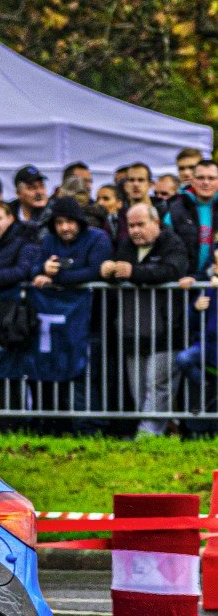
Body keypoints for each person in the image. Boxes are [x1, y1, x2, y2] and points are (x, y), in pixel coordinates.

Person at [99, 202, 191, 435]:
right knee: (139, 389)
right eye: (131, 226)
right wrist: (107, 270)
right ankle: (160, 430)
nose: (135, 231)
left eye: (141, 224)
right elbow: (118, 273)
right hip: (132, 330)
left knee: (158, 385)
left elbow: (172, 270)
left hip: (166, 330)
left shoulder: (171, 242)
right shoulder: (126, 246)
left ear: (156, 223)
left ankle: (147, 435)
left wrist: (133, 272)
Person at [30, 195, 111, 289]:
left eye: (69, 221)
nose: (64, 228)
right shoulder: (49, 239)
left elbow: (94, 271)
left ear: (79, 221)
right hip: (52, 300)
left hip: (89, 300)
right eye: (59, 222)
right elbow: (32, 269)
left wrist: (54, 278)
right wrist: (44, 268)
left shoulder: (98, 237)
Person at [165, 159, 217, 280]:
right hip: (182, 284)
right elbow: (165, 247)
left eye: (211, 178)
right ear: (192, 181)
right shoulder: (175, 210)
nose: (206, 182)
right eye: (200, 178)